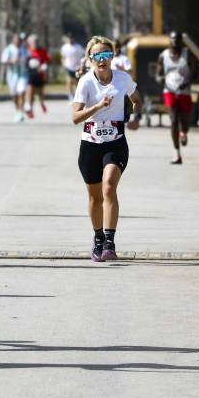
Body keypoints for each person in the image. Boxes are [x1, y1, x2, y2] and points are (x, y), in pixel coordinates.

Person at [72, 36, 141, 261]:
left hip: (116, 142)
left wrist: (135, 116)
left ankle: (110, 241)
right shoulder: (85, 82)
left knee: (109, 187)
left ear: (113, 56)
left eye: (106, 55)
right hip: (90, 144)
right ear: (90, 59)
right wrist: (98, 106)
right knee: (94, 199)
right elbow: (75, 117)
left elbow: (137, 99)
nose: (102, 60)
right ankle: (98, 237)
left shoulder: (122, 78)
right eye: (97, 56)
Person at [156, 31, 199, 164]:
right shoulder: (163, 56)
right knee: (174, 120)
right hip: (169, 91)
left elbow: (195, 72)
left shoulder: (187, 54)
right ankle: (177, 153)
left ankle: (184, 132)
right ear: (170, 41)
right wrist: (162, 81)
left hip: (185, 91)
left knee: (185, 121)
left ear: (181, 42)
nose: (174, 44)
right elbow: (158, 74)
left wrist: (187, 82)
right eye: (172, 41)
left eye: (177, 42)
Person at [0, 33, 28, 122]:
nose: (18, 41)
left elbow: (28, 59)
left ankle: (21, 112)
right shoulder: (8, 49)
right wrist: (12, 61)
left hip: (23, 75)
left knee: (22, 92)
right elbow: (3, 61)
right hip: (12, 76)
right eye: (16, 39)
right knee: (14, 95)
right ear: (13, 40)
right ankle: (17, 110)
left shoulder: (24, 49)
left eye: (19, 40)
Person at [25, 34, 49, 118]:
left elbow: (46, 61)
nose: (35, 43)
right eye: (33, 42)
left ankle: (42, 103)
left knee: (40, 93)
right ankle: (29, 109)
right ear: (29, 43)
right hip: (31, 74)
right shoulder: (27, 51)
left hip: (40, 74)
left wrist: (44, 70)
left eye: (36, 41)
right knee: (30, 91)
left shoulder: (42, 51)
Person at [60, 34, 85, 101]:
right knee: (69, 81)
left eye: (72, 38)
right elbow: (63, 57)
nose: (70, 40)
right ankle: (70, 95)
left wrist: (81, 64)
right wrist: (63, 64)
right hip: (69, 66)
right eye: (69, 38)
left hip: (77, 66)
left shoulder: (78, 47)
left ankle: (77, 94)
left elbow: (82, 55)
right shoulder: (65, 47)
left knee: (77, 82)